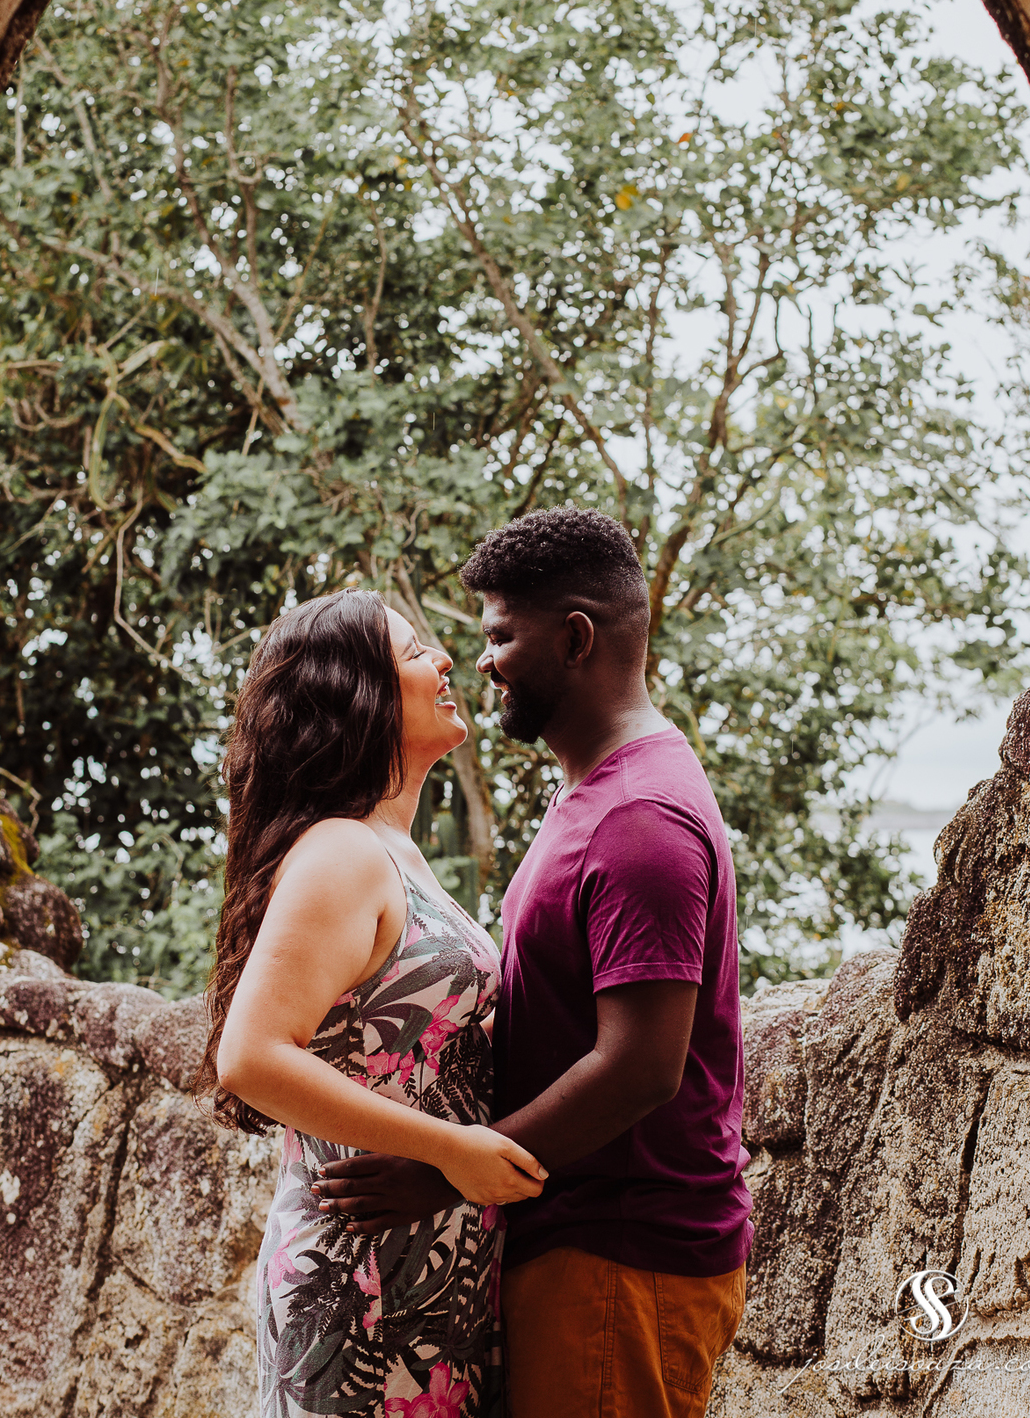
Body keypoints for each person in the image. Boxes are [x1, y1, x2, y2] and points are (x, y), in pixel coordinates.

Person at [315, 509, 753, 1417]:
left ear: (577, 637)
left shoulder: (639, 821)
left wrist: (443, 1172)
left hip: (622, 1259)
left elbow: (639, 1067)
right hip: (583, 1250)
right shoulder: (595, 797)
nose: (483, 661)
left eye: (502, 635)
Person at [194, 589, 547, 1418]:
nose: (447, 660)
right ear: (360, 694)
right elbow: (250, 1056)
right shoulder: (343, 852)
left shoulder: (394, 852)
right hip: (360, 1284)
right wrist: (453, 1151)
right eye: (415, 651)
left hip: (424, 1274)